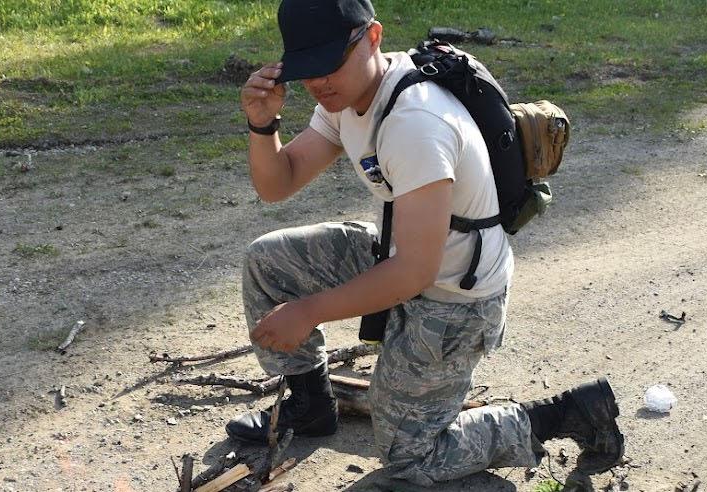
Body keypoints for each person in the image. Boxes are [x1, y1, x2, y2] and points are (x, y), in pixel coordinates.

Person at [225, 0, 625, 485]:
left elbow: (416, 271)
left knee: (409, 457)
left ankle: (561, 414)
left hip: (456, 297)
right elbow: (278, 183)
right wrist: (262, 123)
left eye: (330, 63)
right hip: (401, 255)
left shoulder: (415, 124)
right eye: (307, 69)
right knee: (268, 262)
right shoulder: (346, 97)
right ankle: (311, 406)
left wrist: (308, 312)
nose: (319, 82)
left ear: (373, 38)